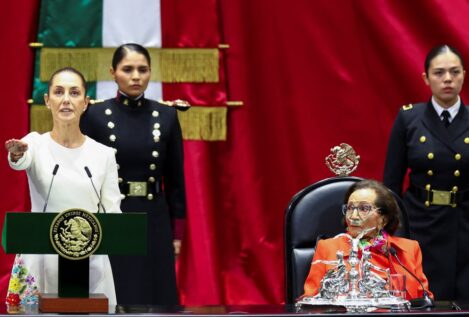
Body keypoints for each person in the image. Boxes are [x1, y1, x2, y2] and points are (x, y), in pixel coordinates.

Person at [4, 67, 121, 306]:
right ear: (47, 101)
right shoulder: (34, 143)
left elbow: (114, 215)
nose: (66, 99)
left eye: (74, 92)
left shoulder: (104, 154)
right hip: (39, 257)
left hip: (90, 261)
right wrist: (16, 155)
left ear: (86, 102)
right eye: (59, 92)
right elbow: (19, 160)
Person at [80, 43, 186, 305]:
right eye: (127, 69)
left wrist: (177, 233)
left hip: (155, 216)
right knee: (120, 294)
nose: (136, 76)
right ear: (113, 72)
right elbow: (86, 176)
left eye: (143, 69)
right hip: (114, 216)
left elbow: (176, 181)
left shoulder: (167, 115)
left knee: (157, 296)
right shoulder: (94, 115)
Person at [383, 44, 469, 300]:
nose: (447, 79)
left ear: (464, 74)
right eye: (439, 72)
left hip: (465, 222)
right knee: (422, 296)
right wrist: (391, 229)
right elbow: (392, 182)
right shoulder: (409, 118)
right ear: (426, 78)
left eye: (454, 72)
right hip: (420, 221)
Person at [303, 180, 432, 301]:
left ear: (384, 219)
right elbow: (310, 301)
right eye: (350, 208)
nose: (353, 216)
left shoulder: (408, 249)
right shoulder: (327, 248)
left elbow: (424, 301)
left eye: (364, 209)